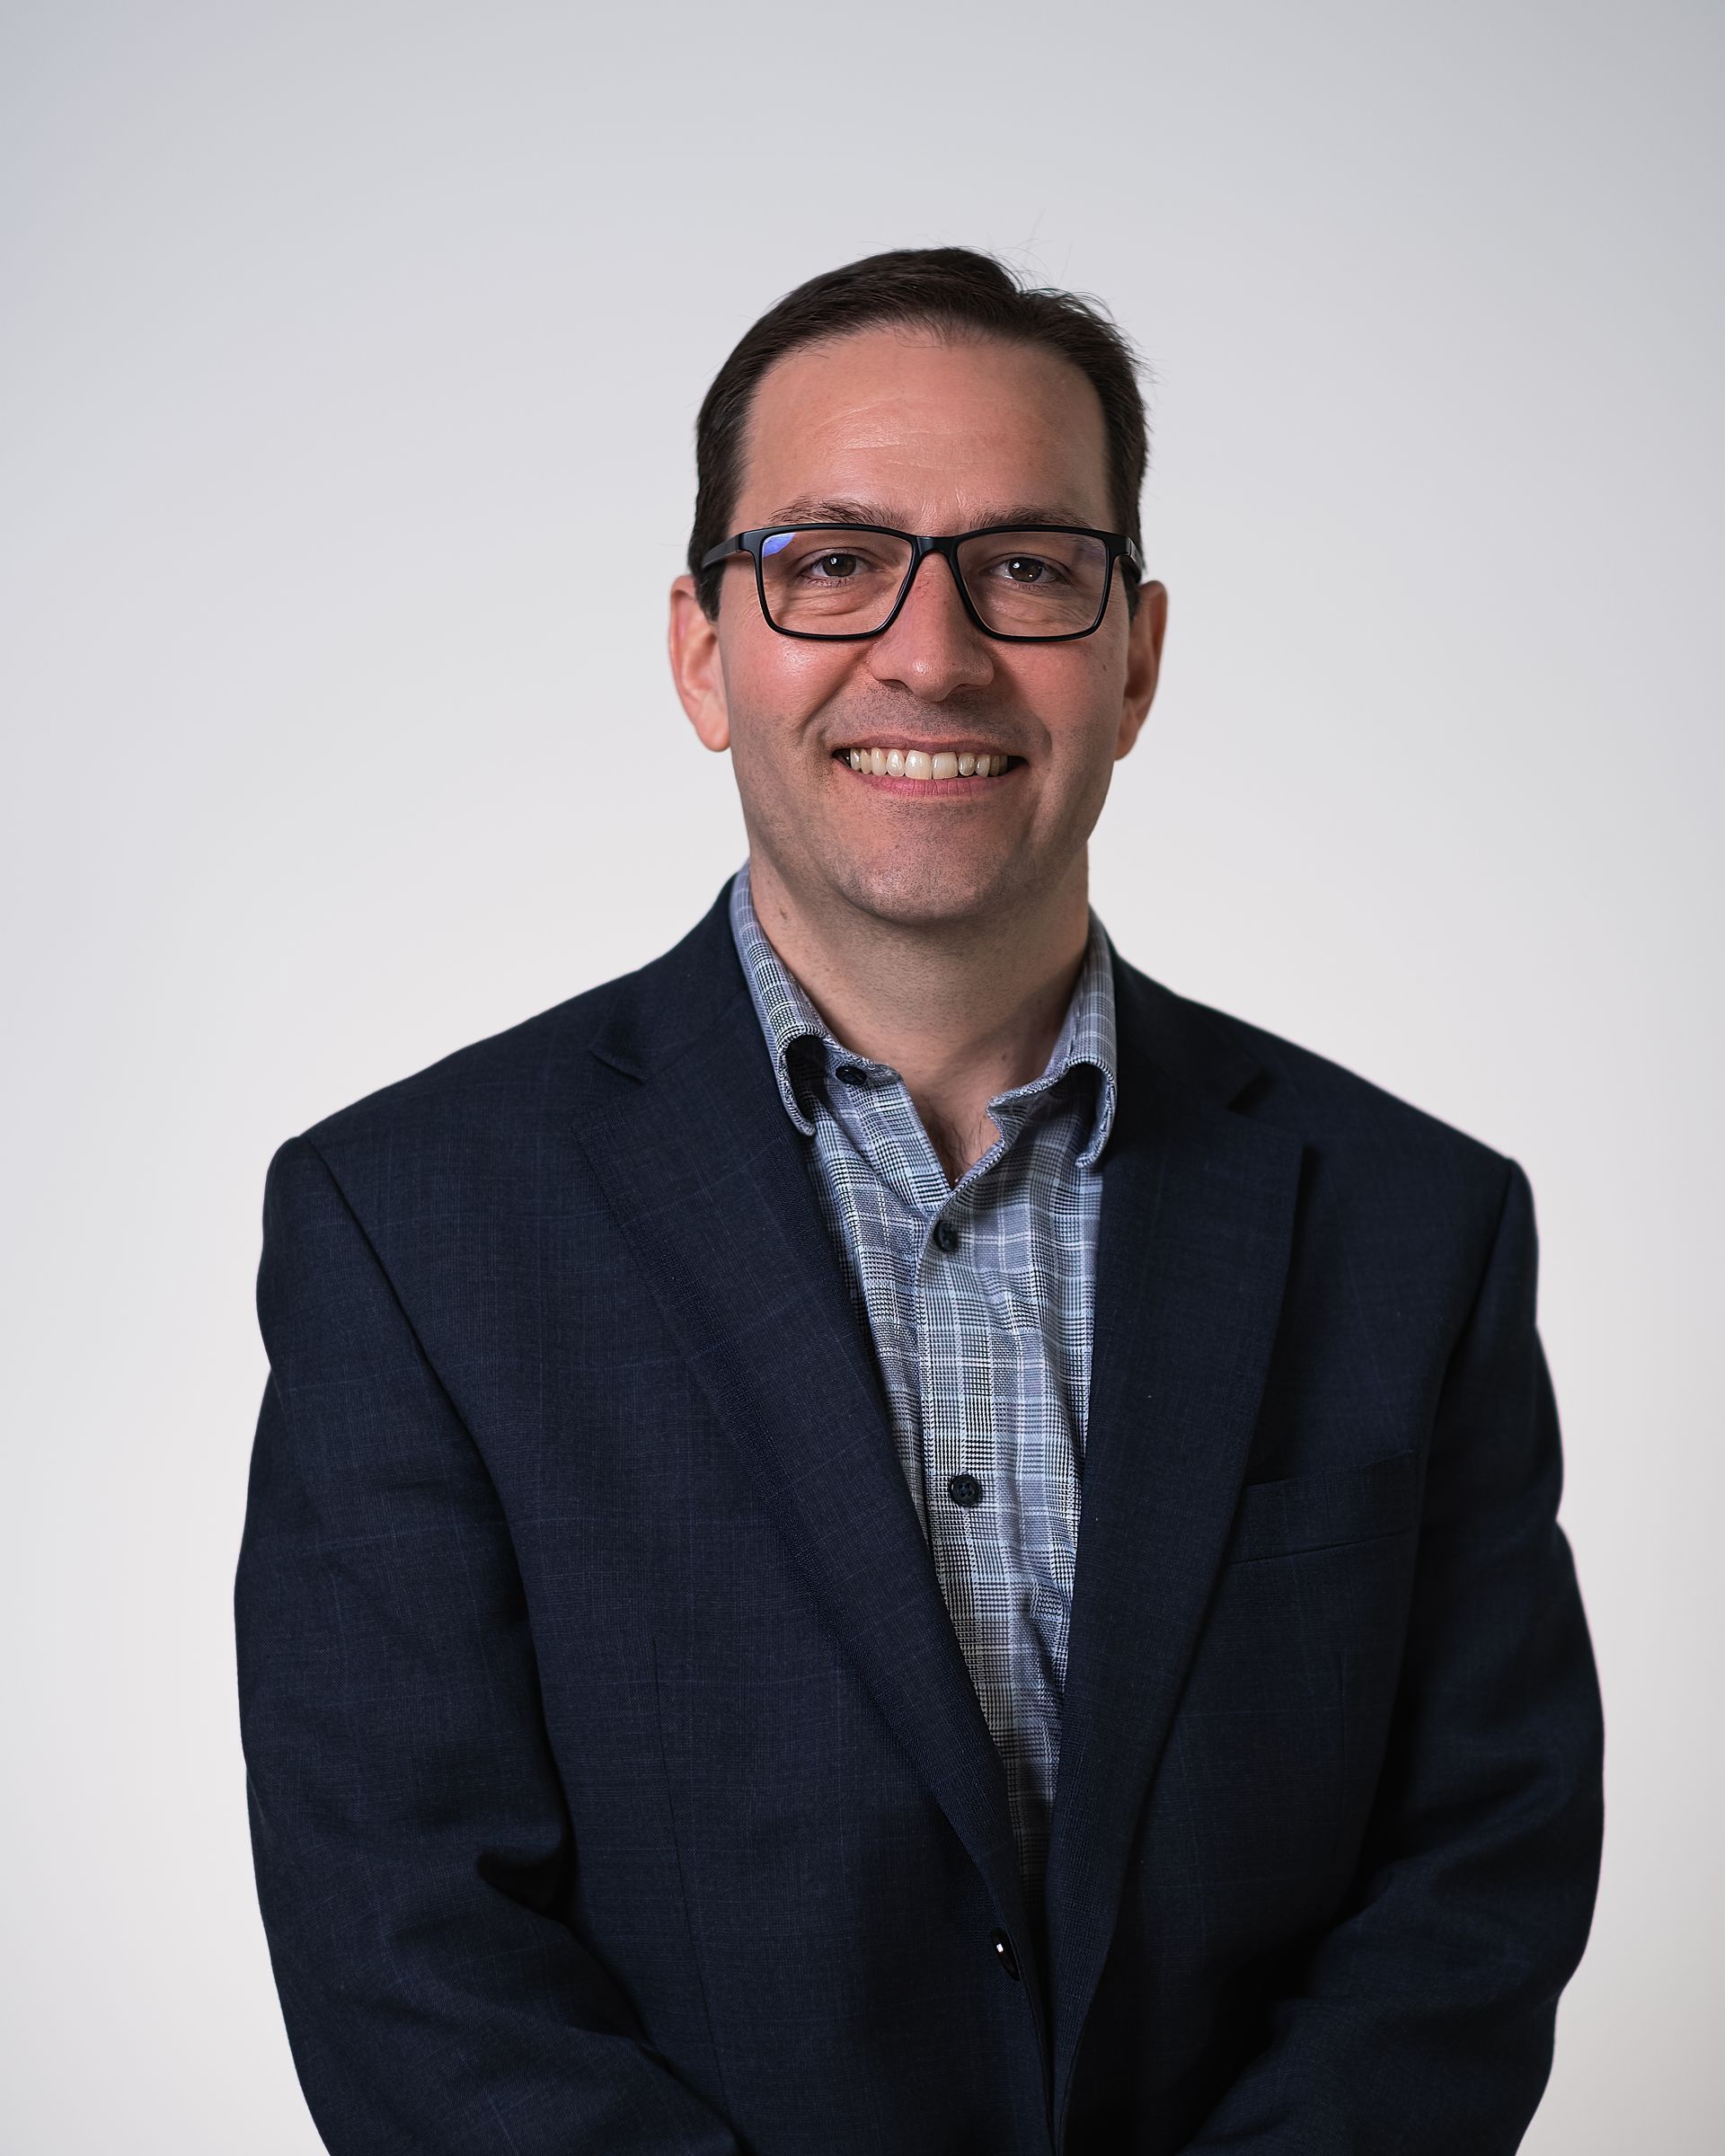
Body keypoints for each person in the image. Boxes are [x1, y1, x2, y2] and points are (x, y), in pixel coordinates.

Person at [234, 247, 1605, 2155]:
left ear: (1136, 656)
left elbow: (1479, 1877)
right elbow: (413, 1955)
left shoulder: (1412, 1227)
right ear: (707, 651)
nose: (934, 651)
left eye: (1029, 564)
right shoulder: (410, 1229)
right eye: (829, 559)